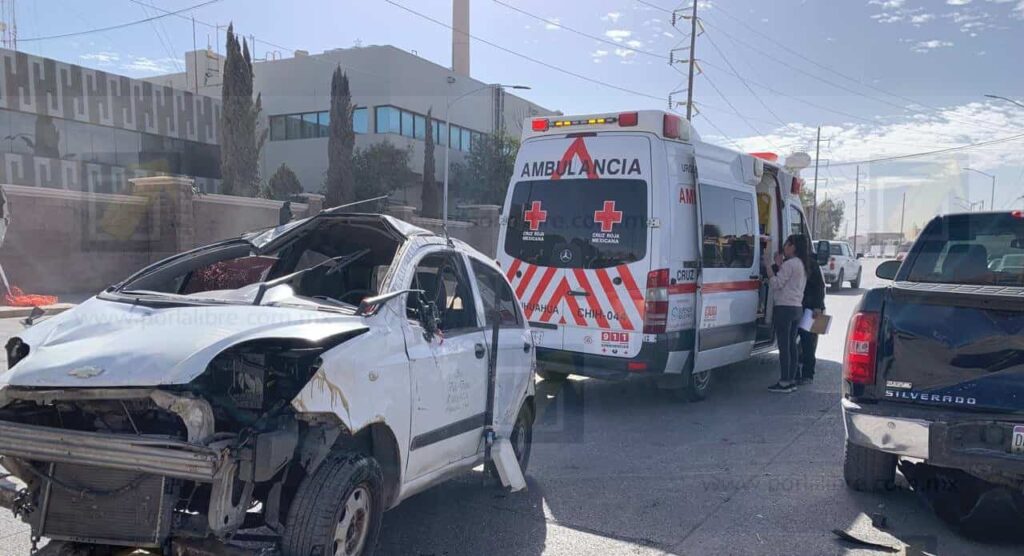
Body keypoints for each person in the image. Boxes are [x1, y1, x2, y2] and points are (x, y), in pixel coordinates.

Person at [764, 234, 809, 393]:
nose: (784, 247)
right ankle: (791, 380)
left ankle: (783, 382)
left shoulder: (790, 264)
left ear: (793, 246)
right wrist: (780, 265)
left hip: (784, 308)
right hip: (797, 308)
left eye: (786, 244)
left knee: (784, 347)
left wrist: (768, 267)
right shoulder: (801, 264)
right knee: (791, 346)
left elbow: (776, 284)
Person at [798, 241, 826, 385]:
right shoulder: (794, 262)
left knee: (808, 342)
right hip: (798, 306)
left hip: (810, 309)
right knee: (798, 342)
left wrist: (817, 307)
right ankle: (796, 373)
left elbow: (819, 287)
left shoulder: (811, 264)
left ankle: (808, 374)